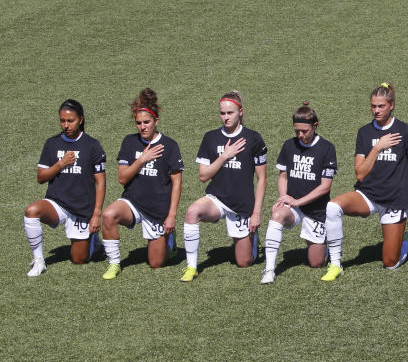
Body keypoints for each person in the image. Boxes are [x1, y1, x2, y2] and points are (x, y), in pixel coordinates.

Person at [323, 82, 408, 280]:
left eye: (381, 106)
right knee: (332, 207)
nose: (376, 110)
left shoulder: (404, 131)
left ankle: (404, 241)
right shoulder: (365, 132)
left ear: (391, 105)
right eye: (373, 106)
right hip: (368, 194)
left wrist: (393, 182)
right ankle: (335, 264)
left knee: (390, 264)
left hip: (394, 199)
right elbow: (360, 174)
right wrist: (377, 148)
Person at [180, 90, 267, 282]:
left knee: (244, 262)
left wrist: (256, 213)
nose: (226, 117)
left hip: (242, 205)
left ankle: (253, 239)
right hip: (216, 199)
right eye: (222, 113)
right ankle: (191, 266)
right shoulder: (211, 137)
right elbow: (203, 176)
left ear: (240, 112)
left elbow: (262, 179)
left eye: (230, 113)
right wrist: (225, 156)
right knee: (192, 211)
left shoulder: (253, 139)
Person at [101, 88, 184, 279]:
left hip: (158, 210)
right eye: (138, 123)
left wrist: (172, 215)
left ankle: (169, 240)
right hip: (133, 203)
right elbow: (122, 178)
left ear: (156, 121)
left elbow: (177, 182)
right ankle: (114, 264)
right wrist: (141, 159)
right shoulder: (129, 142)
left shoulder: (170, 145)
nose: (142, 127)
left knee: (156, 264)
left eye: (146, 122)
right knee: (108, 215)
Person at [23, 99, 107, 277]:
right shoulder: (51, 144)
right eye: (62, 120)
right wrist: (61, 164)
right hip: (57, 203)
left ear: (81, 120)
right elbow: (41, 177)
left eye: (71, 120)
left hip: (82, 209)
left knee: (79, 259)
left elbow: (100, 182)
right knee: (31, 211)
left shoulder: (92, 146)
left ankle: (93, 241)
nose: (66, 125)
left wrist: (96, 215)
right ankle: (39, 261)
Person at [260, 102, 338, 284]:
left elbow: (325, 187)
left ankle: (322, 245)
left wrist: (298, 201)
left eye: (304, 131)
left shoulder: (327, 148)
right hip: (294, 206)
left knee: (316, 263)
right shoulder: (289, 146)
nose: (300, 135)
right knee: (277, 214)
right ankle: (269, 269)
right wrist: (284, 198)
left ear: (315, 126)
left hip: (316, 210)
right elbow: (283, 177)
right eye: (297, 131)